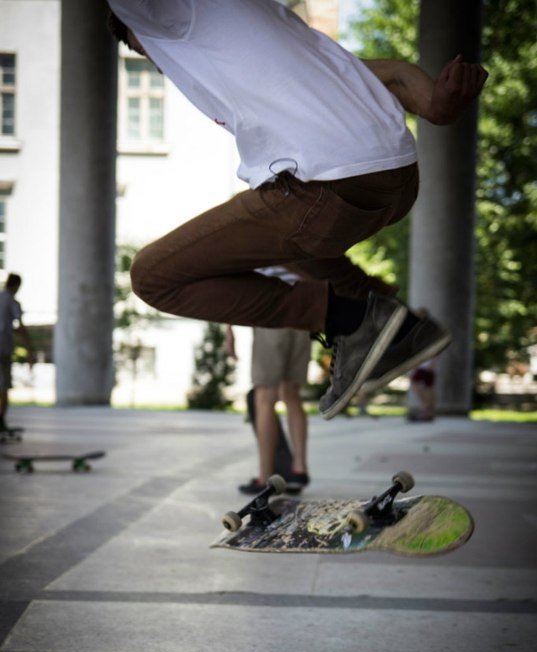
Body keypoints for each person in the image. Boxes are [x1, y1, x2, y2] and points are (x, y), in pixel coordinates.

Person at [106, 0, 488, 420]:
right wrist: (438, 104)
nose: (156, 60)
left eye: (143, 49)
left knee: (152, 277)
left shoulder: (172, 14)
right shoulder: (274, 34)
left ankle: (352, 319)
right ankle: (379, 309)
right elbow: (390, 76)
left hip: (327, 187)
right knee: (278, 231)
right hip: (393, 180)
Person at [226, 321, 311, 496]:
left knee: (264, 397)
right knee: (292, 393)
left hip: (272, 318)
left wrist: (229, 327)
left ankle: (264, 478)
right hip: (302, 321)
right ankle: (299, 470)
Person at [0, 274, 35, 431]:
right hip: (3, 349)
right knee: (3, 387)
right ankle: (1, 421)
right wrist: (29, 349)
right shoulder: (12, 302)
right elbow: (20, 327)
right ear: (16, 286)